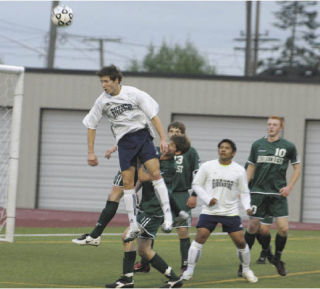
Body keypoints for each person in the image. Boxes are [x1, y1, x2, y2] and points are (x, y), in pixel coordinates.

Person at [82, 65, 172, 242]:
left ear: (116, 80)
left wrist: (163, 138)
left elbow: (153, 116)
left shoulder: (134, 93)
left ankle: (168, 218)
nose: (103, 85)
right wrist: (91, 152)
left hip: (142, 136)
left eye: (106, 81)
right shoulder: (102, 101)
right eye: (102, 81)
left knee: (155, 173)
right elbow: (91, 125)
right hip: (124, 143)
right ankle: (133, 226)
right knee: (128, 184)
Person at [105, 135, 190, 288]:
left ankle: (127, 279)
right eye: (168, 142)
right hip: (147, 208)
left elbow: (143, 176)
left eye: (171, 145)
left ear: (177, 152)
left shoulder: (169, 166)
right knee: (144, 251)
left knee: (127, 236)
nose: (167, 145)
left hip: (153, 211)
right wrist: (134, 191)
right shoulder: (157, 154)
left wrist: (138, 162)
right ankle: (174, 279)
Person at [181, 139, 258, 283]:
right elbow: (196, 184)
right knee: (200, 236)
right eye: (221, 147)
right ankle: (189, 270)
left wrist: (247, 206)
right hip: (210, 211)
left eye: (227, 148)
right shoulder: (207, 166)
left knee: (241, 241)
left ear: (233, 153)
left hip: (230, 211)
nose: (223, 150)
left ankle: (246, 269)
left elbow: (244, 192)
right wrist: (207, 198)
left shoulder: (239, 170)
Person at [134, 121, 200, 274]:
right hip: (157, 195)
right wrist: (135, 191)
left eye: (178, 131)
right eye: (171, 130)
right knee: (150, 228)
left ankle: (185, 264)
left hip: (180, 194)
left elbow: (197, 175)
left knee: (182, 230)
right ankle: (145, 263)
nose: (174, 133)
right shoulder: (157, 151)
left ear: (183, 135)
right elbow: (145, 175)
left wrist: (195, 195)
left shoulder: (190, 152)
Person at [243, 116, 301, 277]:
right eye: (269, 124)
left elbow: (297, 168)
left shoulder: (288, 146)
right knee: (253, 227)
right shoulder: (257, 144)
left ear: (280, 127)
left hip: (277, 194)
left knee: (283, 228)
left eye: (274, 125)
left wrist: (289, 186)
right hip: (258, 193)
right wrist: (243, 188)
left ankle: (277, 259)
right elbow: (251, 167)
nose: (271, 127)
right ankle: (244, 263)